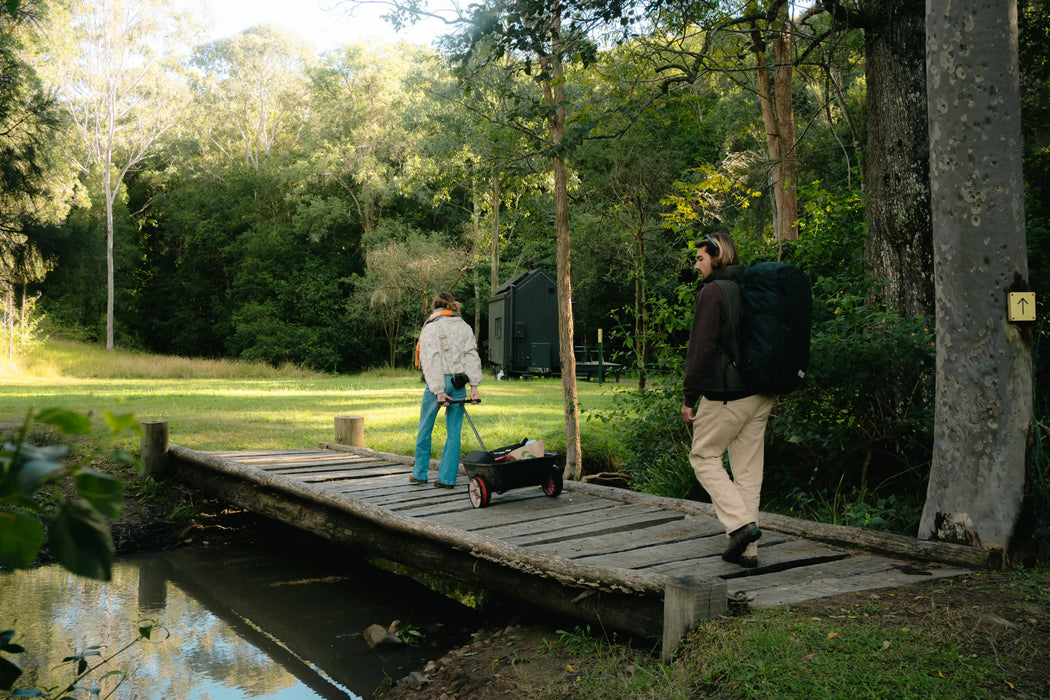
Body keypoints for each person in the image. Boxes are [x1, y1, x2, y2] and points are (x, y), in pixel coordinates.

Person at [681, 233, 775, 568]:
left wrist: (689, 396)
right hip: (761, 393)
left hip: (727, 395)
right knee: (747, 473)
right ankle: (748, 551)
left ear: (717, 257)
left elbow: (701, 349)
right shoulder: (750, 286)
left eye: (701, 259)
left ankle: (740, 526)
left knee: (704, 456)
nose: (697, 265)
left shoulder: (713, 292)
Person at [412, 292, 483, 488]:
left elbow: (430, 360)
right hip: (459, 382)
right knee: (454, 433)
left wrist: (437, 390)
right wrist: (474, 386)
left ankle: (419, 474)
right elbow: (471, 356)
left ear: (436, 307)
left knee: (425, 427)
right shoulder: (464, 326)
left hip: (439, 380)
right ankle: (447, 479)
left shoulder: (431, 327)